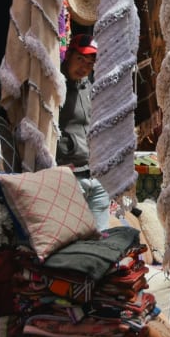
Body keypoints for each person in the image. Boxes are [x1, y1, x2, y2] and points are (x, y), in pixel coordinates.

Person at [57, 34, 111, 230]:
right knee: (73, 234)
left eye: (90, 63)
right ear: (69, 55)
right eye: (80, 59)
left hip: (96, 174)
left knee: (101, 235)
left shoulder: (90, 88)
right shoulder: (54, 86)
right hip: (69, 175)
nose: (84, 67)